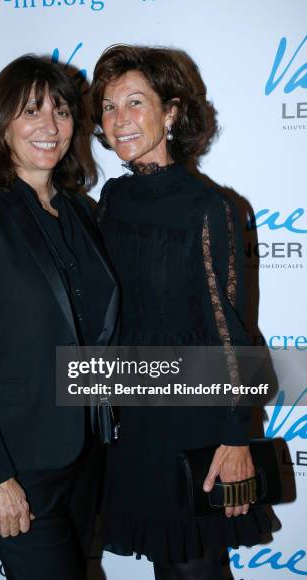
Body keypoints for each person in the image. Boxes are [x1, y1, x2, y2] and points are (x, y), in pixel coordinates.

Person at [0, 54, 119, 580]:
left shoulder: (81, 211)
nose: (49, 126)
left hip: (86, 454)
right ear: (2, 122)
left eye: (60, 111)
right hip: (18, 464)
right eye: (31, 111)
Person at [91, 45, 273, 579]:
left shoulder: (209, 207)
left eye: (135, 102)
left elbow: (231, 331)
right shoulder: (112, 200)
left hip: (194, 422)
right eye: (107, 106)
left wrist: (237, 437)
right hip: (134, 419)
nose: (119, 120)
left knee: (194, 568)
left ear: (170, 112)